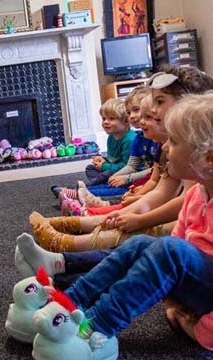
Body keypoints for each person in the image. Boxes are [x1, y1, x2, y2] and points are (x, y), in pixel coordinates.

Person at [19, 93, 213, 351]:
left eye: (174, 142)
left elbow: (173, 252)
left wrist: (199, 329)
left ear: (207, 158)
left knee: (168, 248)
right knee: (143, 244)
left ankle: (96, 328)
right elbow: (170, 250)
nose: (165, 148)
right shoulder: (196, 196)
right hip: (193, 290)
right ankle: (68, 303)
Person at [30, 66, 213, 253]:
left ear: (187, 102)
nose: (153, 111)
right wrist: (128, 213)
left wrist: (139, 217)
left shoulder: (193, 151)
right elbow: (161, 191)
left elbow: (177, 202)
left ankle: (71, 243)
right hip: (185, 232)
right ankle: (82, 222)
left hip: (191, 242)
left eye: (159, 102)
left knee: (145, 239)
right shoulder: (169, 148)